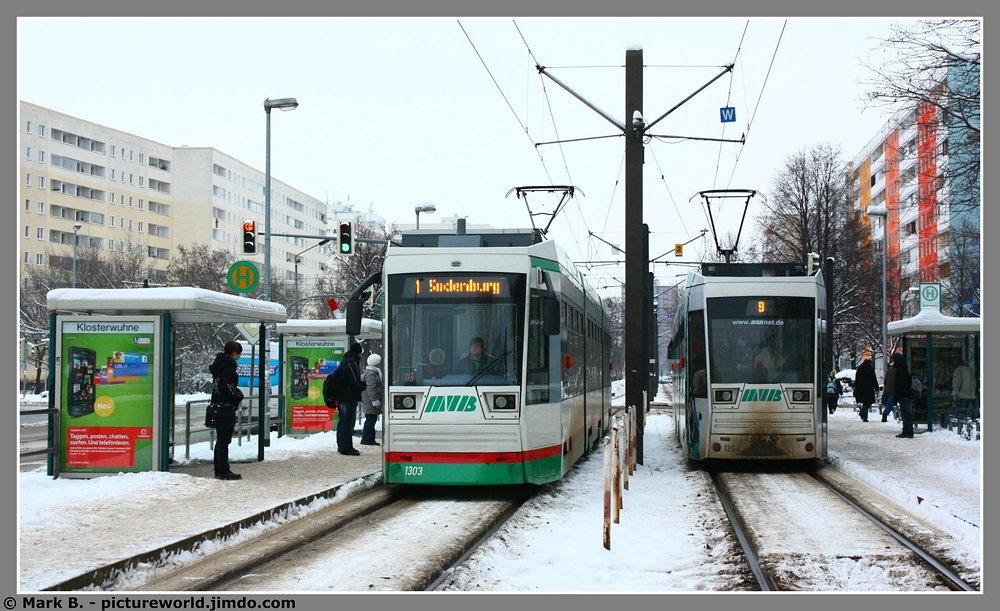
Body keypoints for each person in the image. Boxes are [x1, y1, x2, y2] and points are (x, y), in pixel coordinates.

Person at [208, 341, 244, 480]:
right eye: (238, 353)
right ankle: (223, 471)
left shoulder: (219, 364)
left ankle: (219, 469)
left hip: (217, 406)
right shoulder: (228, 365)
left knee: (221, 440)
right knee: (224, 440)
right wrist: (238, 395)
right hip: (225, 407)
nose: (239, 355)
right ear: (233, 353)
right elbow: (227, 386)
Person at [330, 342, 366, 455]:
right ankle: (346, 447)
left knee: (343, 422)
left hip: (342, 397)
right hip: (348, 397)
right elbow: (355, 380)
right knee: (347, 422)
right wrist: (363, 385)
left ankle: (342, 445)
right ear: (358, 352)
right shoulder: (351, 362)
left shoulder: (345, 361)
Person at [360, 353, 383, 446]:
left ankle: (370, 439)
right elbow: (371, 388)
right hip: (370, 401)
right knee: (370, 420)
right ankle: (366, 439)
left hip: (368, 400)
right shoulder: (371, 374)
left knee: (371, 420)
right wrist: (375, 400)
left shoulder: (371, 372)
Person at [891, 353, 914, 438]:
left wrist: (897, 395)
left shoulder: (900, 371)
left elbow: (899, 385)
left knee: (905, 414)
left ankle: (907, 431)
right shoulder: (904, 369)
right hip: (906, 394)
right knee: (906, 413)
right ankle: (908, 431)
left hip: (903, 395)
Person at [853, 355, 879, 422]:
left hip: (861, 388)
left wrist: (856, 387)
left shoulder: (860, 368)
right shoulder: (870, 368)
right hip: (869, 388)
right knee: (868, 403)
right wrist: (876, 387)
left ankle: (863, 414)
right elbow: (874, 378)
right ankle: (864, 415)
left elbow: (857, 379)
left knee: (865, 402)